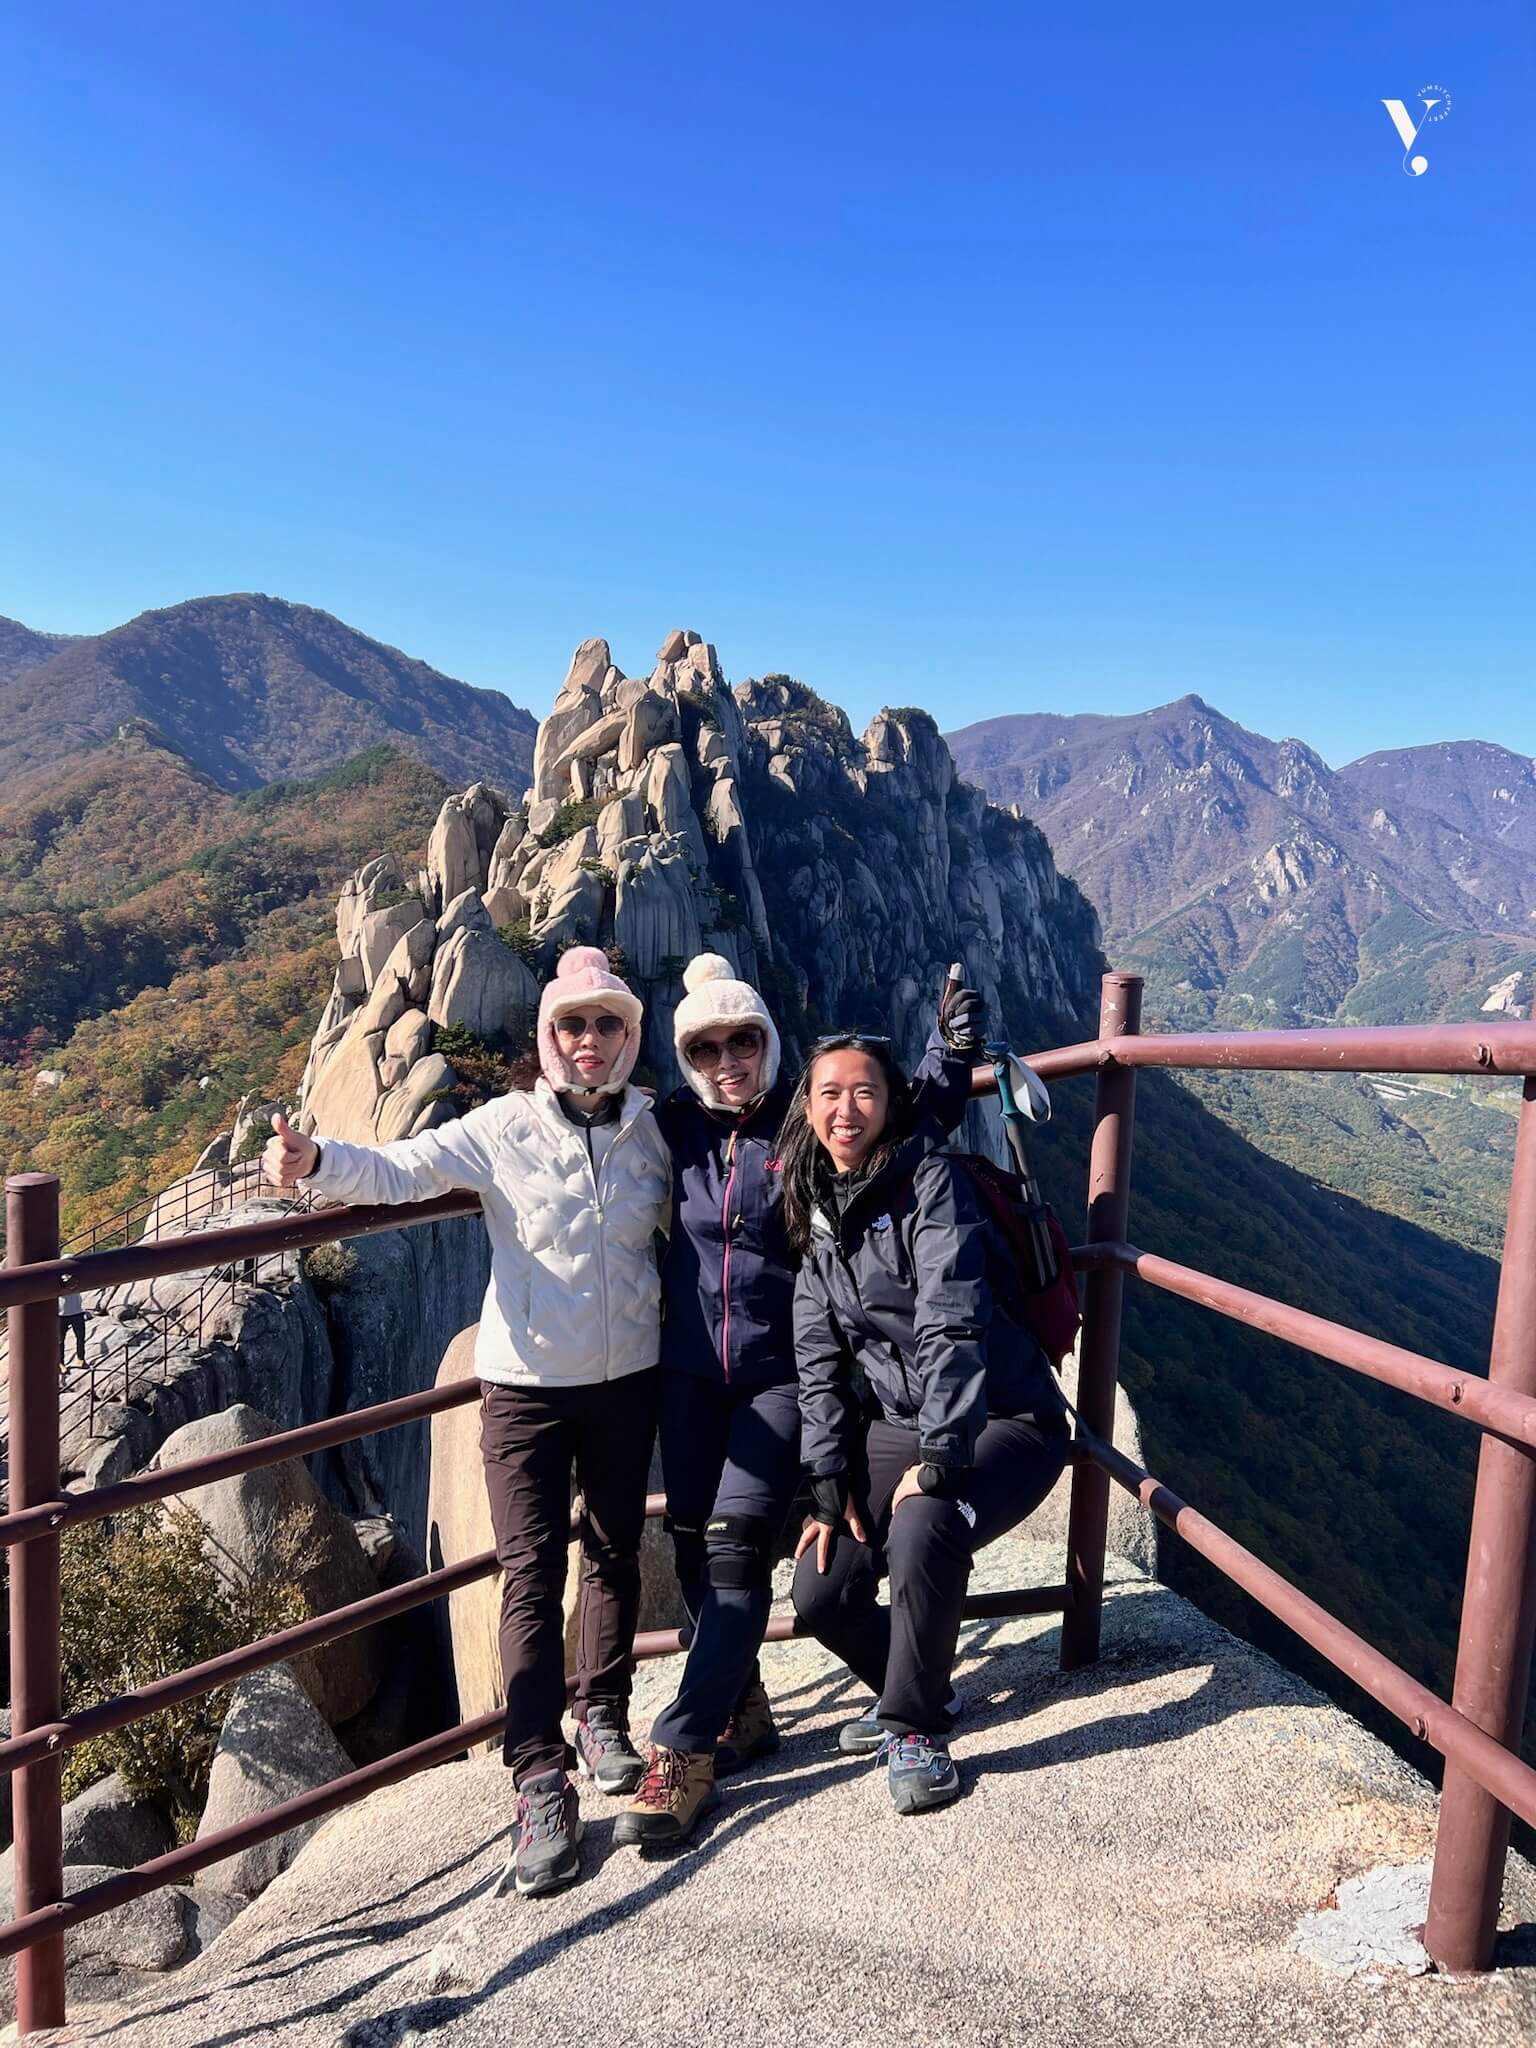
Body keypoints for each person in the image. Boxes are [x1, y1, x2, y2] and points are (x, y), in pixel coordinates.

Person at [263, 945, 670, 1898]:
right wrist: (314, 1161)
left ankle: (603, 1716)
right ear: (548, 1036)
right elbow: (403, 1169)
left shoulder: (653, 1131)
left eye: (608, 1025)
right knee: (530, 1576)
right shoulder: (503, 1128)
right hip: (527, 1387)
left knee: (613, 1552)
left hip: (628, 1378)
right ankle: (538, 1776)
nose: (590, 1042)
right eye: (573, 1025)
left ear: (630, 1039)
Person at [614, 955, 983, 1849]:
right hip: (692, 1373)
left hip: (784, 1377)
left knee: (739, 1551)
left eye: (744, 1039)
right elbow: (581, 1130)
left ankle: (683, 1749)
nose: (728, 1057)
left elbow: (896, 1114)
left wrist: (949, 1054)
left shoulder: (801, 1122)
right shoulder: (670, 1127)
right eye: (707, 1045)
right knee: (697, 1551)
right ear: (686, 1054)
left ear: (768, 1042)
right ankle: (743, 1712)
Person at [781, 1035, 1070, 1816]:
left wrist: (939, 1459)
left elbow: (951, 1323)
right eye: (829, 1093)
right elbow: (817, 1360)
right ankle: (924, 1689)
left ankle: (914, 1730)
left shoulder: (931, 1183)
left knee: (922, 1526)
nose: (846, 1109)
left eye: (864, 1092)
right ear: (807, 1109)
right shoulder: (817, 1211)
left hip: (1006, 1416)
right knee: (820, 1584)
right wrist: (828, 1481)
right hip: (906, 1419)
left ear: (890, 1102)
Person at [58, 1291, 87, 1370]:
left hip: (77, 1311)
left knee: (81, 1337)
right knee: (60, 1340)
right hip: (61, 1314)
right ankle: (60, 1363)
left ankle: (80, 1359)